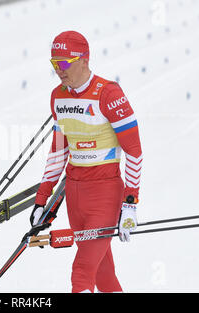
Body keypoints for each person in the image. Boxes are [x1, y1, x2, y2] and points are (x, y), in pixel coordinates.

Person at [30, 31, 143, 293]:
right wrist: (41, 199)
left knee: (81, 273)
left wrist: (130, 203)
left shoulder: (109, 94)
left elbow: (134, 151)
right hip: (75, 196)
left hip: (104, 195)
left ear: (84, 60)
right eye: (54, 64)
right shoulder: (58, 96)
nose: (59, 70)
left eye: (64, 63)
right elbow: (58, 151)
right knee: (103, 276)